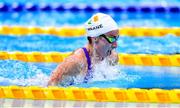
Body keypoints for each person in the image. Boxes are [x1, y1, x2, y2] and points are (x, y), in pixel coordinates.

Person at [48, 13, 119, 86]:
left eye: (116, 38)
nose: (115, 45)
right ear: (95, 38)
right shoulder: (76, 62)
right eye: (111, 38)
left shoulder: (112, 58)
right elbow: (51, 85)